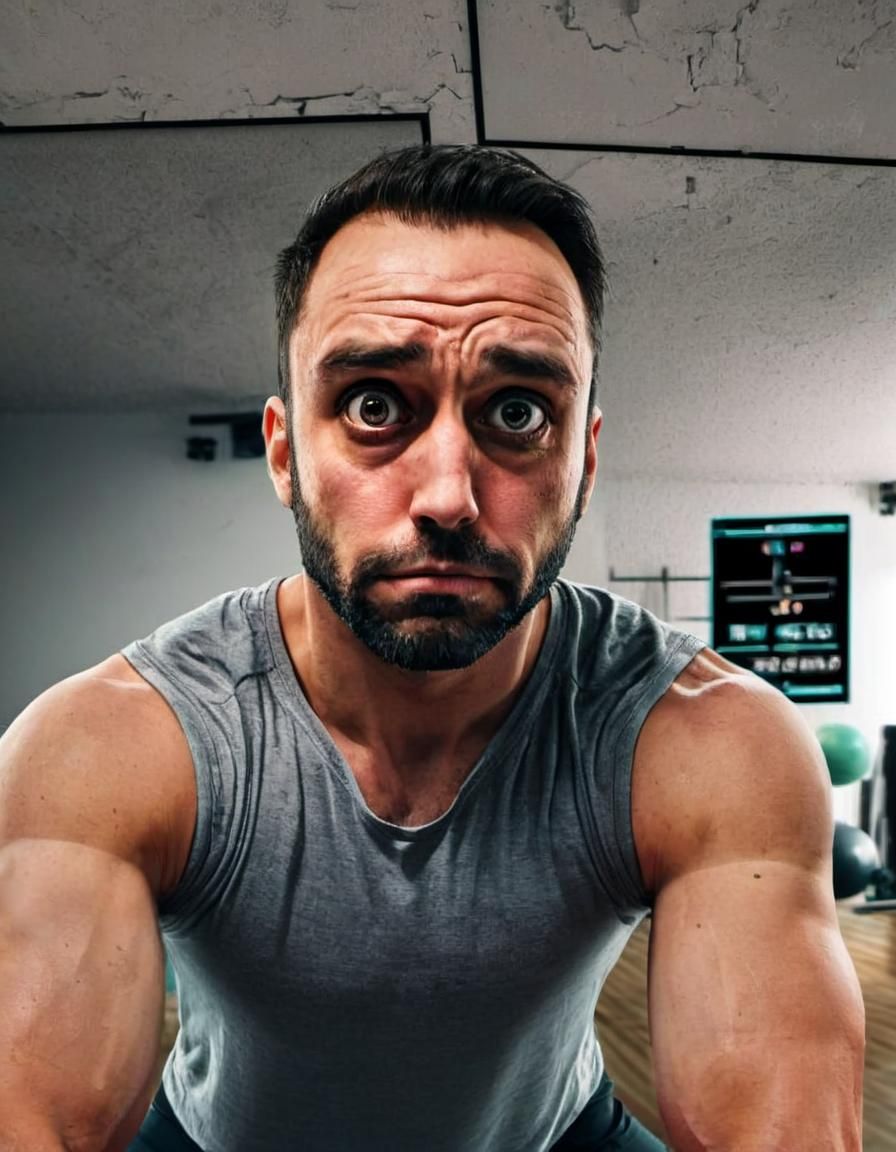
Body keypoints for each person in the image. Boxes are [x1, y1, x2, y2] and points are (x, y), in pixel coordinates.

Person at [0, 144, 864, 1152]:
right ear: (284, 453)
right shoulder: (109, 745)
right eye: (374, 405)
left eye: (516, 412)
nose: (447, 495)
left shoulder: (707, 742)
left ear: (582, 461)